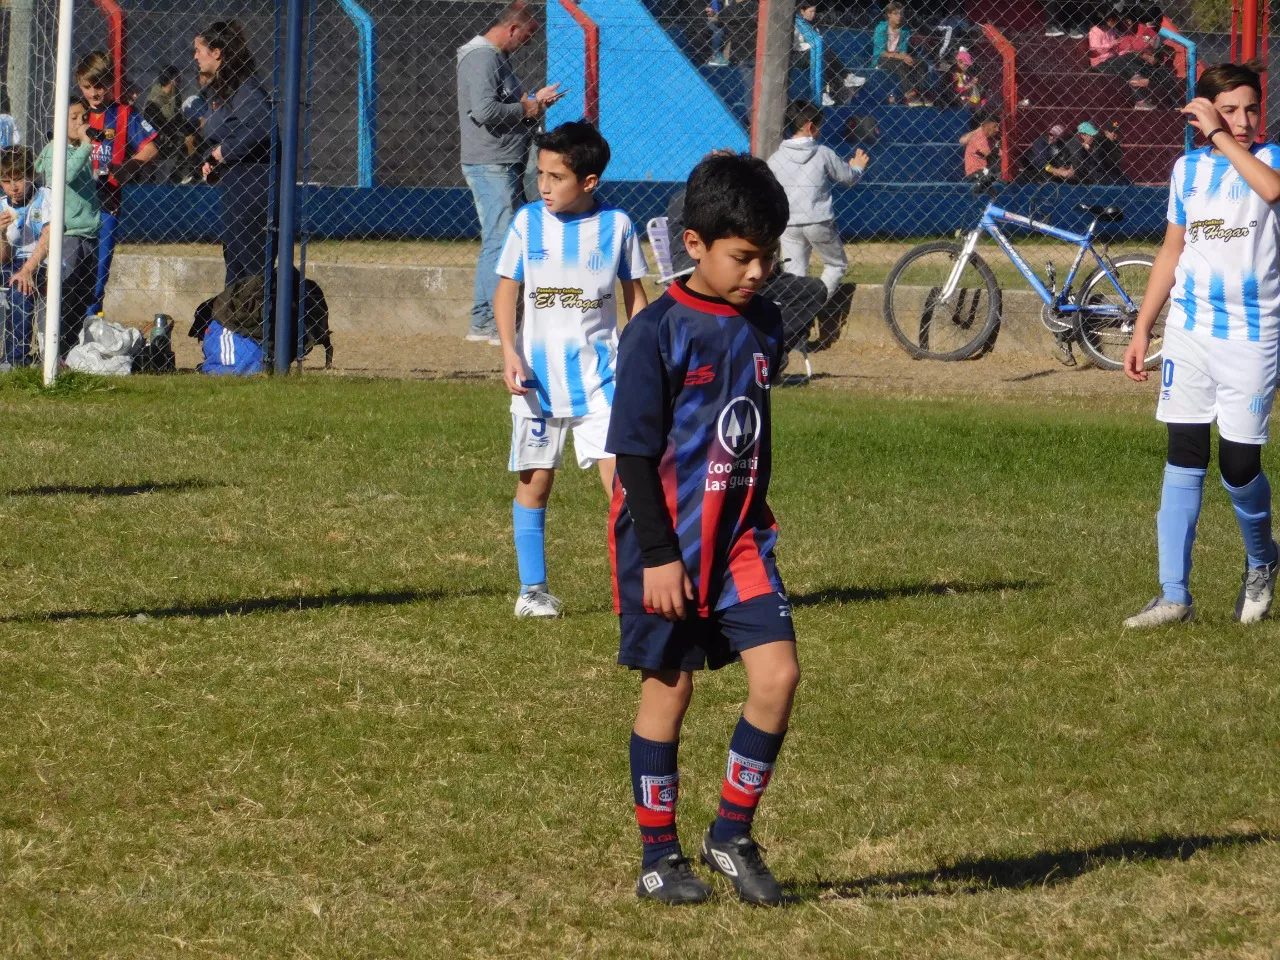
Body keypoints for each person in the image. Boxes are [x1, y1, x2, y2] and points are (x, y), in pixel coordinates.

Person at [607, 153, 799, 906]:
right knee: (671, 691)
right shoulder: (656, 333)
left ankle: (731, 835)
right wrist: (657, 554)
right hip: (668, 548)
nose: (758, 272)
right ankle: (659, 857)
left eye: (767, 256)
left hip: (742, 540)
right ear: (695, 244)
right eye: (742, 256)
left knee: (778, 676)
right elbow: (633, 450)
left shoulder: (766, 323)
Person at [1121, 61, 1280, 628]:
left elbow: (1271, 191)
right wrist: (1144, 328)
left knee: (1239, 467)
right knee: (1184, 454)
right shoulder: (1186, 170)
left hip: (1253, 337)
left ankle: (1263, 560)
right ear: (1205, 111)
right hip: (1190, 332)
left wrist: (1218, 132)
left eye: (1251, 109)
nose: (1244, 121)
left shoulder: (1271, 159)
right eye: (1229, 110)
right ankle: (1173, 595)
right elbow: (1171, 250)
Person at [494, 121, 648, 618]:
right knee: (535, 481)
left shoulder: (619, 226)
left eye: (556, 176)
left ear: (588, 182)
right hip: (537, 382)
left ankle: (642, 588)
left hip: (602, 380)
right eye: (540, 173)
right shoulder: (526, 223)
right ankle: (532, 592)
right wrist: (508, 351)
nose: (543, 185)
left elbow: (636, 299)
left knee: (624, 484)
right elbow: (506, 291)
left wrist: (643, 359)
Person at [457, 2, 562, 346]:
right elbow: (485, 110)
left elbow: (506, 107)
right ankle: (486, 322)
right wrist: (528, 106)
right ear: (513, 29)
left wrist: (535, 104)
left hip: (504, 159)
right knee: (499, 241)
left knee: (504, 239)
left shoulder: (497, 58)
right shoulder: (482, 56)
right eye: (527, 36)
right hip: (490, 162)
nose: (527, 44)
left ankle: (492, 319)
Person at [75, 50, 158, 318]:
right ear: (79, 84)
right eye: (87, 87)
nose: (94, 93)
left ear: (110, 81)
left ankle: (90, 324)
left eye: (99, 85)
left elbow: (151, 149)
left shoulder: (124, 115)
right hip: (74, 205)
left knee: (98, 273)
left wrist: (128, 166)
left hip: (106, 203)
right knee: (70, 269)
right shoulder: (76, 112)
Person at [196, 20, 275, 288]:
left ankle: (263, 324)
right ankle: (237, 324)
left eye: (199, 50)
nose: (195, 57)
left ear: (217, 52)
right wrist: (211, 158)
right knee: (235, 266)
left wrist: (224, 152)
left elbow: (264, 125)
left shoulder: (245, 88)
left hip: (252, 190)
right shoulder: (223, 90)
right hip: (235, 188)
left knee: (253, 269)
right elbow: (227, 133)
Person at [768, 100, 866, 299]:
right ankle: (815, 305)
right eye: (819, 125)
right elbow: (847, 178)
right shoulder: (823, 153)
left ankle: (796, 313)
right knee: (836, 264)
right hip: (818, 220)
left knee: (794, 273)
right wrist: (857, 167)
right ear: (811, 127)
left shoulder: (775, 158)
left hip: (789, 223)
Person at [33, 98, 101, 358]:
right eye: (73, 117)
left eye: (83, 117)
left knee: (82, 297)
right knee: (62, 291)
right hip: (67, 234)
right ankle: (49, 352)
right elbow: (66, 175)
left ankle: (69, 352)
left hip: (88, 233)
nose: (80, 122)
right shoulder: (54, 150)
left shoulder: (79, 150)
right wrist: (86, 145)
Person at [0, 147, 49, 367]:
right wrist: (1, 234)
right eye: (5, 180)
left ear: (30, 176)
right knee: (12, 279)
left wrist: (27, 270)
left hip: (40, 262)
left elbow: (48, 238)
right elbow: (4, 258)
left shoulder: (45, 197)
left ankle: (15, 359)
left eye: (18, 179)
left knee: (20, 288)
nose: (13, 187)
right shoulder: (2, 206)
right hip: (11, 263)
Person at [793, 1, 864, 106]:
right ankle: (831, 87)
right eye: (810, 11)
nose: (813, 14)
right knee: (822, 52)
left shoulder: (812, 25)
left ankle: (846, 77)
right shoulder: (797, 25)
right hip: (799, 55)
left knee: (825, 53)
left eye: (814, 11)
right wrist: (814, 46)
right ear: (802, 11)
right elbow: (796, 45)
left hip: (814, 53)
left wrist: (817, 46)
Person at [873, 3, 931, 106]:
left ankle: (918, 92)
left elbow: (903, 49)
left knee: (921, 63)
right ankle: (909, 94)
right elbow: (880, 52)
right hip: (883, 58)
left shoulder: (905, 30)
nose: (899, 16)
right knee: (901, 64)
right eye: (896, 14)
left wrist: (906, 57)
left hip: (898, 57)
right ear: (889, 14)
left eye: (901, 14)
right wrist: (901, 57)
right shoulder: (881, 28)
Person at [961, 113, 1000, 182]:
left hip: (986, 169)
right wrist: (980, 129)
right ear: (985, 126)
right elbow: (962, 141)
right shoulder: (979, 136)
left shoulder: (993, 136)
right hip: (977, 171)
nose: (997, 130)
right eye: (995, 127)